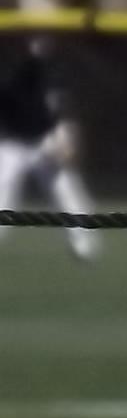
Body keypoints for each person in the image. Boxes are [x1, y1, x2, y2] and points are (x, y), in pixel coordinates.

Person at [0, 25, 98, 262]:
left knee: (66, 191)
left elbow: (63, 114)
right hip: (13, 143)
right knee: (1, 189)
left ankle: (83, 243)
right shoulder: (11, 77)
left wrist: (66, 140)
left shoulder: (54, 77)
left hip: (45, 142)